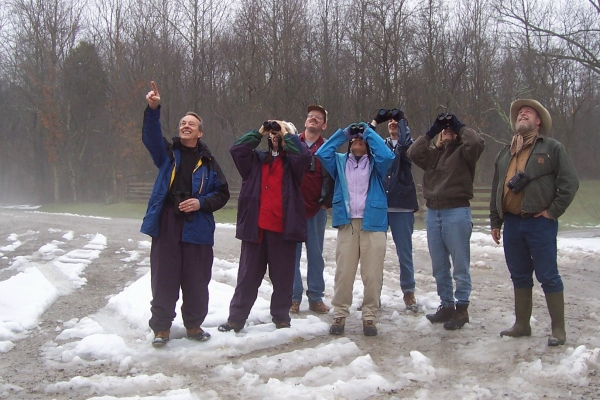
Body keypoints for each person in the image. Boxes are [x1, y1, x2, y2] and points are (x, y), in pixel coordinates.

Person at [141, 81, 230, 347]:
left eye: (191, 123)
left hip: (198, 226)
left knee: (196, 279)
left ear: (200, 132)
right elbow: (150, 137)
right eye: (182, 123)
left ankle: (193, 326)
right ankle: (161, 329)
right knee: (164, 277)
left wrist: (200, 203)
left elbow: (222, 193)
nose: (186, 126)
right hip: (168, 222)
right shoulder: (167, 154)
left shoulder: (210, 162)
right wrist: (153, 108)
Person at [491, 99, 578, 346]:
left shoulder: (552, 148)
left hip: (540, 223)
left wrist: (552, 211)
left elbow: (570, 182)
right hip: (512, 224)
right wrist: (495, 221)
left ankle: (558, 330)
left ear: (538, 121)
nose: (522, 114)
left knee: (548, 275)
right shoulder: (505, 151)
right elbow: (499, 187)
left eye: (528, 112)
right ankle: (521, 325)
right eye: (519, 112)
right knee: (519, 275)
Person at [218, 119, 311, 333]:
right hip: (256, 229)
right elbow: (237, 149)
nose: (275, 136)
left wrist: (287, 133)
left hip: (282, 229)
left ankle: (281, 317)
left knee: (283, 277)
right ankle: (236, 319)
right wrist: (260, 131)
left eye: (280, 134)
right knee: (247, 277)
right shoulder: (256, 161)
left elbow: (304, 155)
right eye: (273, 134)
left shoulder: (294, 164)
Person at [316, 122, 395, 336]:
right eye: (355, 139)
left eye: (362, 140)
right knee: (344, 272)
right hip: (348, 222)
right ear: (349, 143)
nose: (358, 141)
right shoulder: (340, 162)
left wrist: (369, 133)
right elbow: (323, 152)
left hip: (373, 222)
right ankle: (340, 314)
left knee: (372, 274)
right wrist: (344, 133)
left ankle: (369, 316)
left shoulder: (376, 164)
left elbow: (388, 156)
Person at [408, 113, 484, 330]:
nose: (447, 130)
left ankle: (462, 307)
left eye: (450, 129)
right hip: (433, 213)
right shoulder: (433, 155)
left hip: (456, 211)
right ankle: (447, 305)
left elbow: (476, 141)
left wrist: (459, 126)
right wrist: (432, 131)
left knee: (460, 264)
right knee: (439, 265)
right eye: (445, 129)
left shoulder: (465, 154)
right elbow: (413, 152)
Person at [371, 109, 419, 312]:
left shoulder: (408, 145)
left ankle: (408, 292)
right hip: (381, 205)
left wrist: (403, 121)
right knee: (375, 253)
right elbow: (364, 140)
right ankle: (374, 295)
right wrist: (374, 121)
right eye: (389, 121)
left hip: (402, 205)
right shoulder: (379, 145)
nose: (392, 123)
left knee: (404, 253)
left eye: (396, 122)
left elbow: (407, 148)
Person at [290, 105, 333, 315]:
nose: (313, 119)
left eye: (318, 118)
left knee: (316, 255)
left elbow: (334, 177)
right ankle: (293, 297)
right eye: (310, 116)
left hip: (316, 210)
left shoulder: (327, 148)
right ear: (305, 121)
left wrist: (327, 202)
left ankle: (315, 297)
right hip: (292, 210)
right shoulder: (290, 143)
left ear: (323, 125)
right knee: (291, 256)